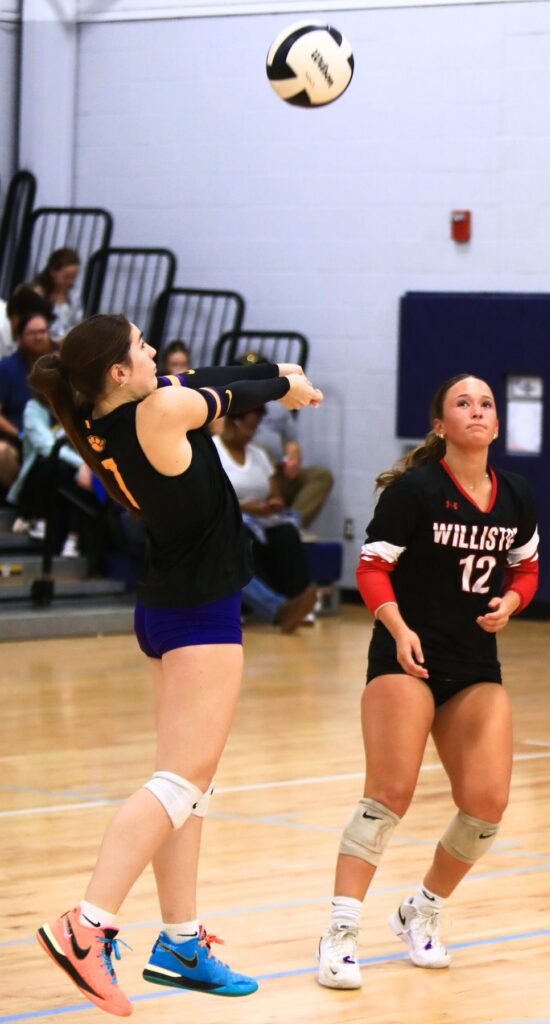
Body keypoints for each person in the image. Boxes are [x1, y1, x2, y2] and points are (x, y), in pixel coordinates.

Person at [30, 313, 322, 1016]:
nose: (153, 350)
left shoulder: (113, 417)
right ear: (117, 373)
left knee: (185, 784)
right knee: (182, 779)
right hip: (197, 612)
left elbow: (206, 382)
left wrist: (275, 383)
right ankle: (88, 924)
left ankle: (181, 944)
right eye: (139, 345)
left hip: (166, 605)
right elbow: (226, 390)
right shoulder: (157, 409)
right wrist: (283, 381)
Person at [316, 374, 539, 990]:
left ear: (496, 425)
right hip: (406, 656)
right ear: (440, 424)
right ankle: (340, 930)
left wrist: (514, 602)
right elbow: (370, 569)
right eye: (463, 402)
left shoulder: (516, 495)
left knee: (486, 804)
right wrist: (397, 626)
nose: (477, 410)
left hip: (474, 665)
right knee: (389, 792)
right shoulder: (415, 491)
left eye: (486, 403)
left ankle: (423, 909)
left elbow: (528, 567)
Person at [213, 409, 315, 606]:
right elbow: (211, 496)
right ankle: (253, 605)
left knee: (286, 532)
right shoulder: (214, 450)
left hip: (262, 517)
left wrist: (274, 504)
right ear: (235, 423)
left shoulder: (259, 455)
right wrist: (244, 507)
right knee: (243, 534)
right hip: (229, 516)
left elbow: (275, 495)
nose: (254, 434)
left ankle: (297, 599)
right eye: (251, 428)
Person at [7, 394, 104, 564]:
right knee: (53, 463)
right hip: (36, 477)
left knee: (80, 477)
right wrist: (83, 464)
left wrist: (86, 467)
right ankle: (34, 517)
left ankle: (73, 537)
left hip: (69, 476)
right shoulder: (34, 408)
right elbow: (46, 447)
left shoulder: (74, 409)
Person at [239, 355, 332, 530]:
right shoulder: (234, 404)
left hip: (278, 472)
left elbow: (291, 441)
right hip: (249, 471)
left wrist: (293, 457)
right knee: (261, 451)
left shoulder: (279, 405)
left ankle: (292, 525)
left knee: (320, 476)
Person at [0, 312, 53, 492]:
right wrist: (20, 435)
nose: (38, 337)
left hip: (53, 437)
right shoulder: (7, 367)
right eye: (32, 333)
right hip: (17, 440)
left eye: (43, 332)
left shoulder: (56, 366)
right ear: (20, 337)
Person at [33, 247, 83, 340]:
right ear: (53, 272)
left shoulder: (73, 296)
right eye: (66, 276)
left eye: (74, 277)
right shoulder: (38, 293)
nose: (70, 281)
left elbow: (77, 323)